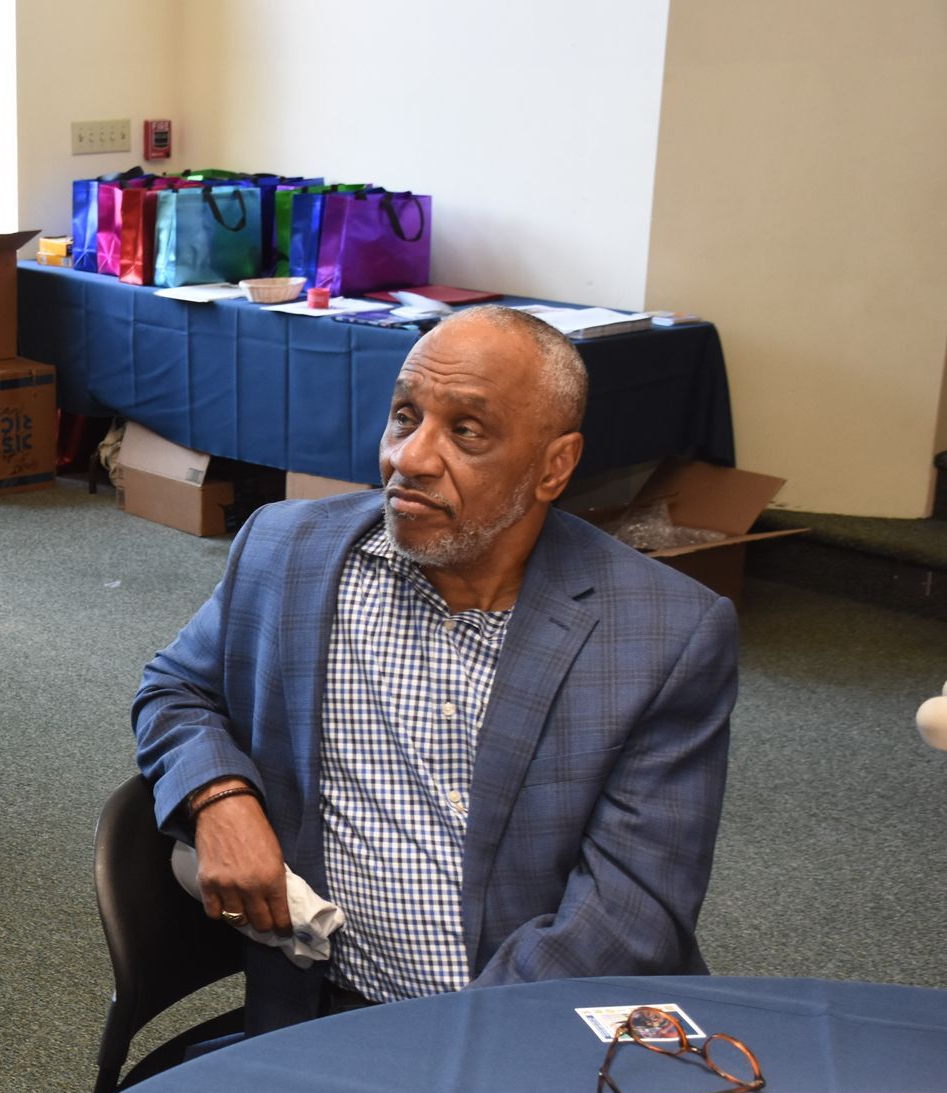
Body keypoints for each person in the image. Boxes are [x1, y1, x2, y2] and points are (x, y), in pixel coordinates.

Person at [134, 306, 738, 1036]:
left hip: (544, 1030)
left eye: (467, 432)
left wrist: (445, 1049)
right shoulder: (287, 552)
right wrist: (219, 798)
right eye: (404, 416)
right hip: (324, 1016)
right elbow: (177, 687)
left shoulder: (662, 633)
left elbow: (630, 916)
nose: (410, 459)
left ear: (555, 465)